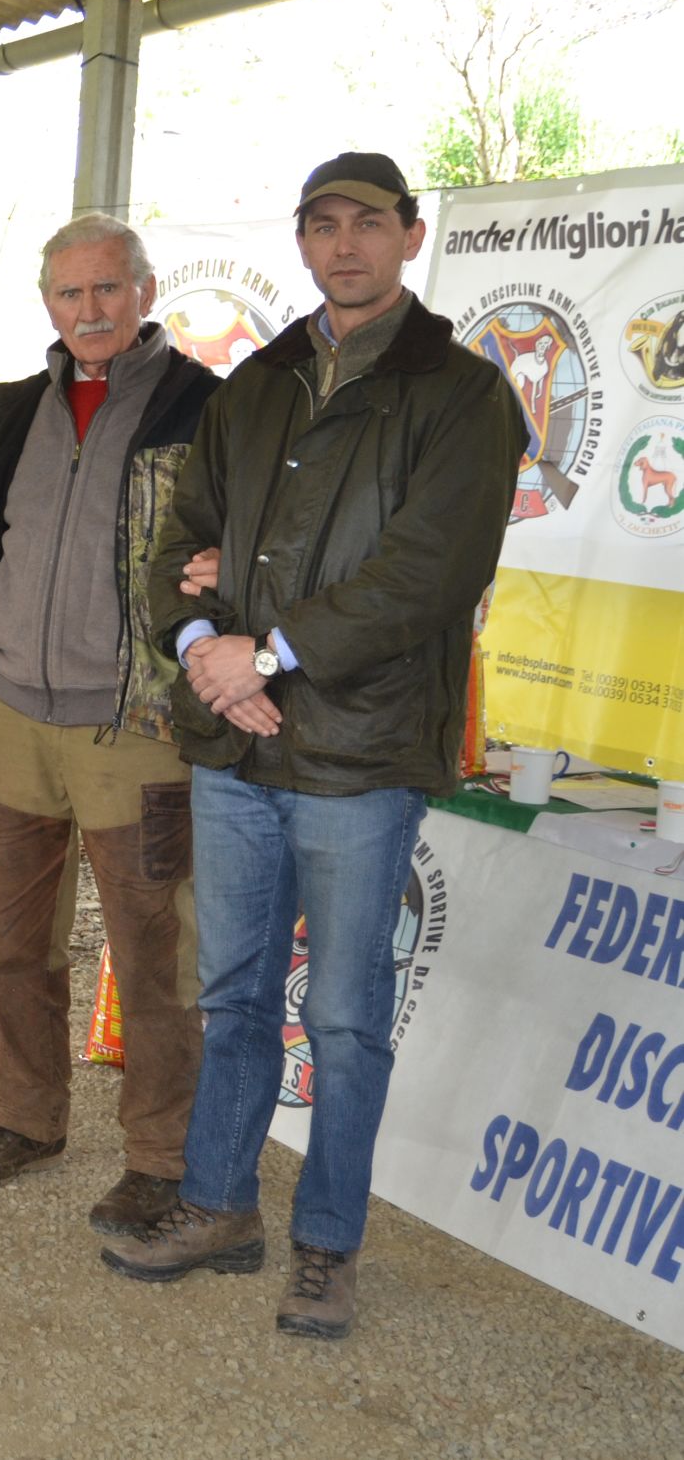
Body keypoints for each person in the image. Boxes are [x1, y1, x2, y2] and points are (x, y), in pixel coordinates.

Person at [107, 152, 524, 1341]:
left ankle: (327, 1245)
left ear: (410, 234)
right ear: (299, 241)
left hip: (359, 753)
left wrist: (268, 651)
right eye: (322, 225)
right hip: (234, 748)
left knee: (343, 1018)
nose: (344, 244)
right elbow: (175, 543)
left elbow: (428, 574)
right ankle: (216, 1205)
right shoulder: (257, 383)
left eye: (367, 224)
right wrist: (203, 646)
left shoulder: (460, 394)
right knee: (233, 995)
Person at [0, 214, 220, 1232]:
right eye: (70, 292)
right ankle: (26, 1118)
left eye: (108, 288)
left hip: (135, 726)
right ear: (49, 303)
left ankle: (160, 1156)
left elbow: (250, 545)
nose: (90, 309)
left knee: (154, 954)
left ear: (144, 290)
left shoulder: (205, 408)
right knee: (16, 946)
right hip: (14, 714)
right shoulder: (18, 410)